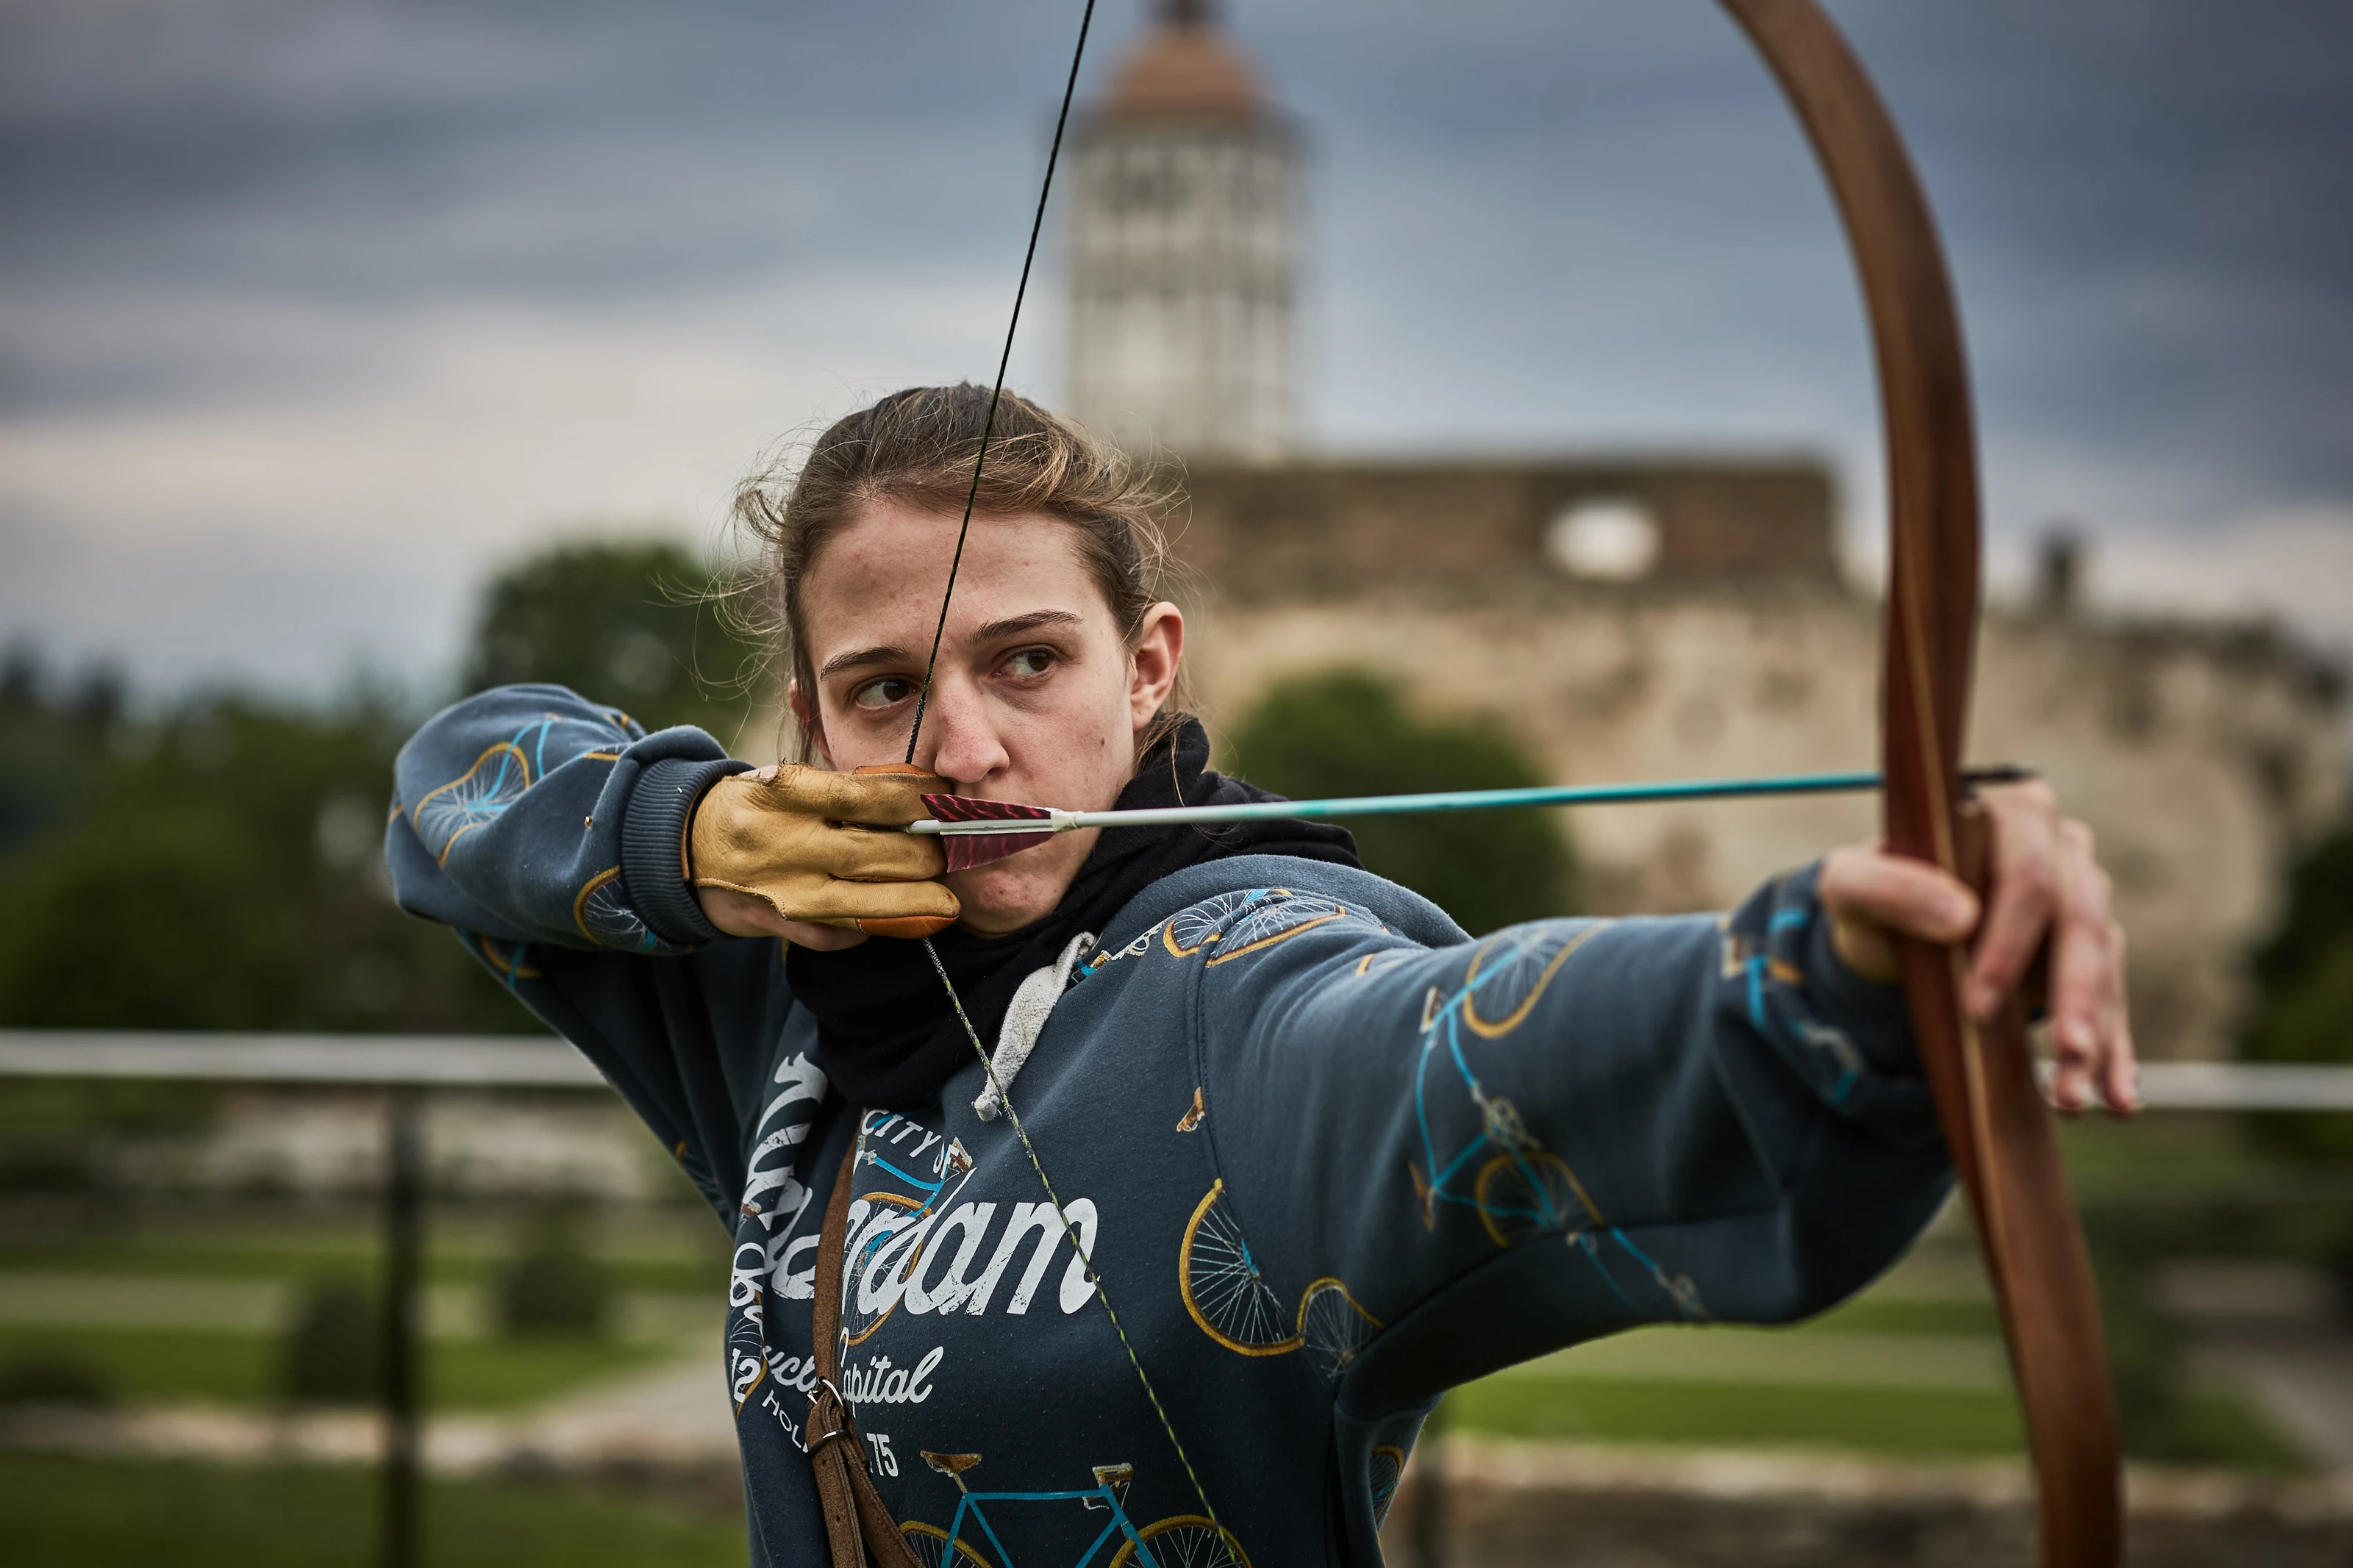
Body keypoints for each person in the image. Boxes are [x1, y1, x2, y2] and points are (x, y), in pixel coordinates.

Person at [388, 383, 2135, 1565]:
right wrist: (687, 836)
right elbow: (444, 795)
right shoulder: (797, 983)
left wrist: (1845, 962)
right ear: (811, 722)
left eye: (1027, 660)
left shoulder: (1254, 980)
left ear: (1147, 668)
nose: (964, 748)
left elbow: (1477, 1050)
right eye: (885, 688)